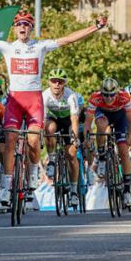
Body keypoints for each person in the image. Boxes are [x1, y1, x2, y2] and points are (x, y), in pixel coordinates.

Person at [0, 9, 107, 205]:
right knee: (10, 140)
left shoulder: (40, 46)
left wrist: (95, 27)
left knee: (33, 141)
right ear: (14, 28)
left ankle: (34, 172)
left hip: (34, 100)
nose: (22, 27)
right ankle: (6, 186)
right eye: (19, 24)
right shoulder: (7, 47)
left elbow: (68, 39)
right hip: (14, 100)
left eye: (26, 24)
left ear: (31, 28)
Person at [84, 78, 131, 207]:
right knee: (101, 125)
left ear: (117, 93)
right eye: (105, 95)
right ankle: (102, 157)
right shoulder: (95, 98)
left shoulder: (125, 97)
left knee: (123, 151)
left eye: (112, 94)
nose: (108, 98)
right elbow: (88, 122)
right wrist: (87, 138)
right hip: (103, 114)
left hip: (120, 117)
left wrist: (130, 136)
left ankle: (127, 189)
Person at [42, 68, 80, 207]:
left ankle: (74, 191)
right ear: (49, 82)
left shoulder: (71, 96)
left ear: (64, 83)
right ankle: (52, 160)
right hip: (52, 119)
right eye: (54, 81)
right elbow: (41, 119)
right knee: (49, 128)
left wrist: (74, 138)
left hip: (67, 121)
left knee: (71, 154)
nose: (57, 84)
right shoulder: (45, 95)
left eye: (60, 82)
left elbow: (74, 119)